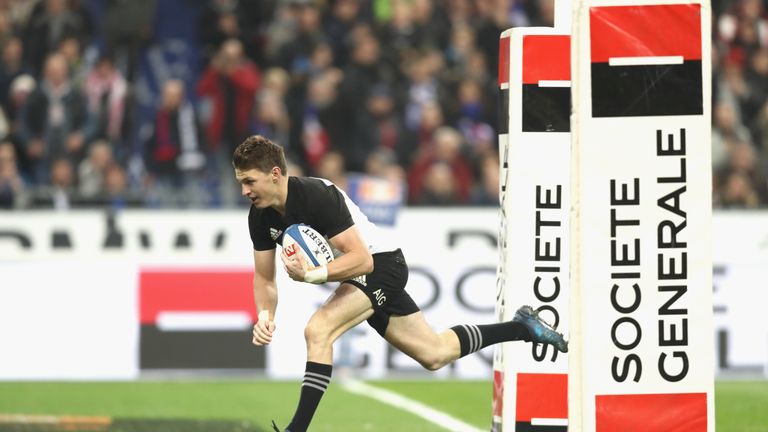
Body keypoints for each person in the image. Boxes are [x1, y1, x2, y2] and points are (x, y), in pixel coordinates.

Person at [233, 135, 568, 432]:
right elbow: (264, 277)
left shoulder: (316, 195)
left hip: (382, 265)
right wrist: (265, 314)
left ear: (275, 174)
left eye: (249, 181)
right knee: (435, 353)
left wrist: (312, 275)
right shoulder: (259, 216)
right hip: (358, 276)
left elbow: (361, 259)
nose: (245, 191)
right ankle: (522, 327)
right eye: (241, 182)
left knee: (318, 330)